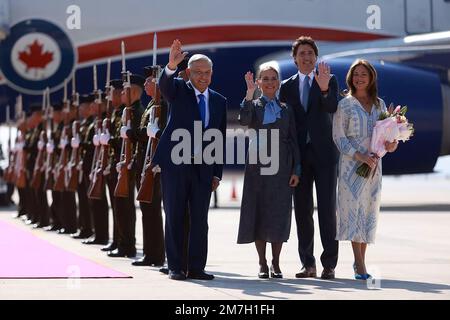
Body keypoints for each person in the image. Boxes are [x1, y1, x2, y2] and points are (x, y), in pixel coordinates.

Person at [152, 39, 227, 280]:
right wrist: (171, 65)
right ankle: (175, 266)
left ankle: (196, 267)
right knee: (174, 215)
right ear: (187, 73)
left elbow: (220, 138)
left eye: (207, 73)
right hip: (176, 163)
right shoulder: (178, 90)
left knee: (200, 219)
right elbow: (164, 85)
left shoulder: (218, 101)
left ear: (212, 74)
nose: (203, 77)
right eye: (198, 73)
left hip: (204, 167)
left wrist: (217, 172)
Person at [279, 36, 339, 279]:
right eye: (302, 53)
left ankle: (329, 264)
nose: (306, 57)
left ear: (316, 57)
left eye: (310, 54)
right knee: (302, 211)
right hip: (299, 158)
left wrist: (324, 89)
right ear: (295, 59)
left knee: (326, 210)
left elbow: (332, 107)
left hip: (325, 155)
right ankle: (308, 263)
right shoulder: (287, 85)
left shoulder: (329, 80)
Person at [332, 59, 398, 280]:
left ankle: (359, 261)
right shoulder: (345, 105)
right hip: (352, 164)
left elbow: (387, 136)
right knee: (354, 212)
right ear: (351, 78)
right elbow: (339, 137)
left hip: (374, 166)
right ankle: (359, 264)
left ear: (371, 79)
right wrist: (358, 155)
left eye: (364, 75)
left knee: (368, 211)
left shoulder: (380, 104)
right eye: (356, 74)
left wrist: (391, 145)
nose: (359, 78)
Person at [237, 65, 300, 279]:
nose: (270, 82)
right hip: (258, 165)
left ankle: (276, 262)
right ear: (258, 82)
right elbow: (244, 120)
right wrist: (248, 93)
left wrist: (296, 169)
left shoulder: (286, 109)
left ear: (279, 82)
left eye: (273, 78)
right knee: (259, 212)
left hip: (282, 166)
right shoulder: (253, 106)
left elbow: (293, 140)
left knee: (279, 213)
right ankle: (262, 263)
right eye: (265, 79)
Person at [131, 66, 167, 267]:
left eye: (148, 81)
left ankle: (157, 254)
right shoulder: (151, 106)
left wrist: (152, 132)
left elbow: (165, 134)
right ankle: (150, 253)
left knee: (153, 211)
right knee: (147, 209)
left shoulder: (163, 106)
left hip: (155, 166)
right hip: (144, 163)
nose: (145, 84)